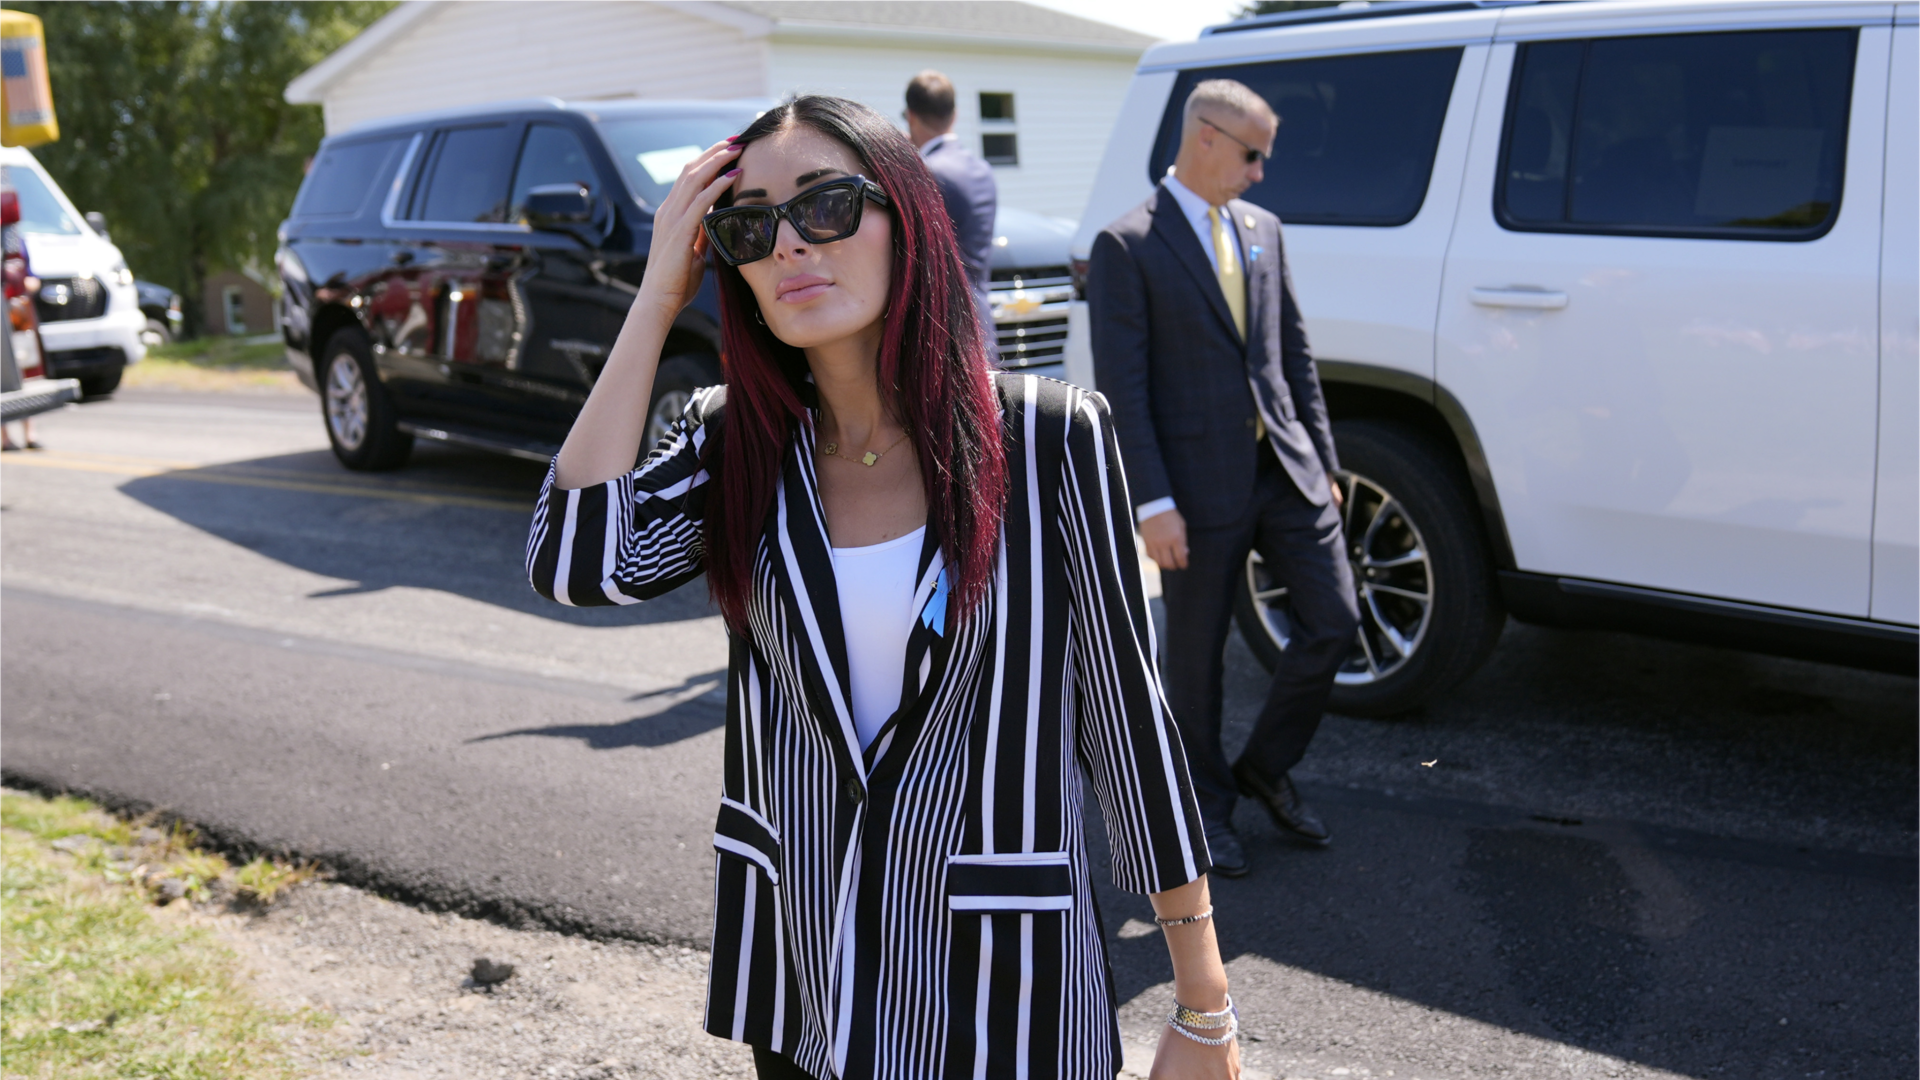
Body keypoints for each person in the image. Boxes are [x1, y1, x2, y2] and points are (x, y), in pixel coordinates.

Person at [527, 96, 1240, 1080]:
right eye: (749, 227)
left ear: (908, 217)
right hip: (808, 990)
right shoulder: (738, 444)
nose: (788, 244)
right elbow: (575, 562)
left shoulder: (1047, 440)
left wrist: (1203, 1001)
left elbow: (1127, 719)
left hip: (1004, 996)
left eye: (825, 205)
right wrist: (656, 298)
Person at [1088, 79, 1360, 877]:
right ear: (1206, 135)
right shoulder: (1127, 244)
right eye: (1252, 154)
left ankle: (1265, 769)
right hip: (1193, 488)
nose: (1260, 172)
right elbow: (1124, 388)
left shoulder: (1263, 229)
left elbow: (1292, 354)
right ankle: (1204, 809)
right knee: (1196, 662)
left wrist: (1324, 463)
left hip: (1286, 471)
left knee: (1335, 619)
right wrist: (1153, 503)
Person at [903, 70, 998, 361]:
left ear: (910, 116)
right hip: (982, 324)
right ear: (954, 116)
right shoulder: (982, 169)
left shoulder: (925, 172)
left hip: (941, 332)